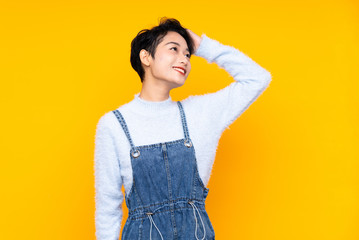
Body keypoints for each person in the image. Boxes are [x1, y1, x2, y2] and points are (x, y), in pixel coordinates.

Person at [94, 17, 272, 240]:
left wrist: (204, 47)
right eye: (174, 49)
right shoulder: (114, 124)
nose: (184, 59)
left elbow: (257, 78)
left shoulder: (201, 113)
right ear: (145, 57)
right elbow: (108, 207)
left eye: (188, 54)